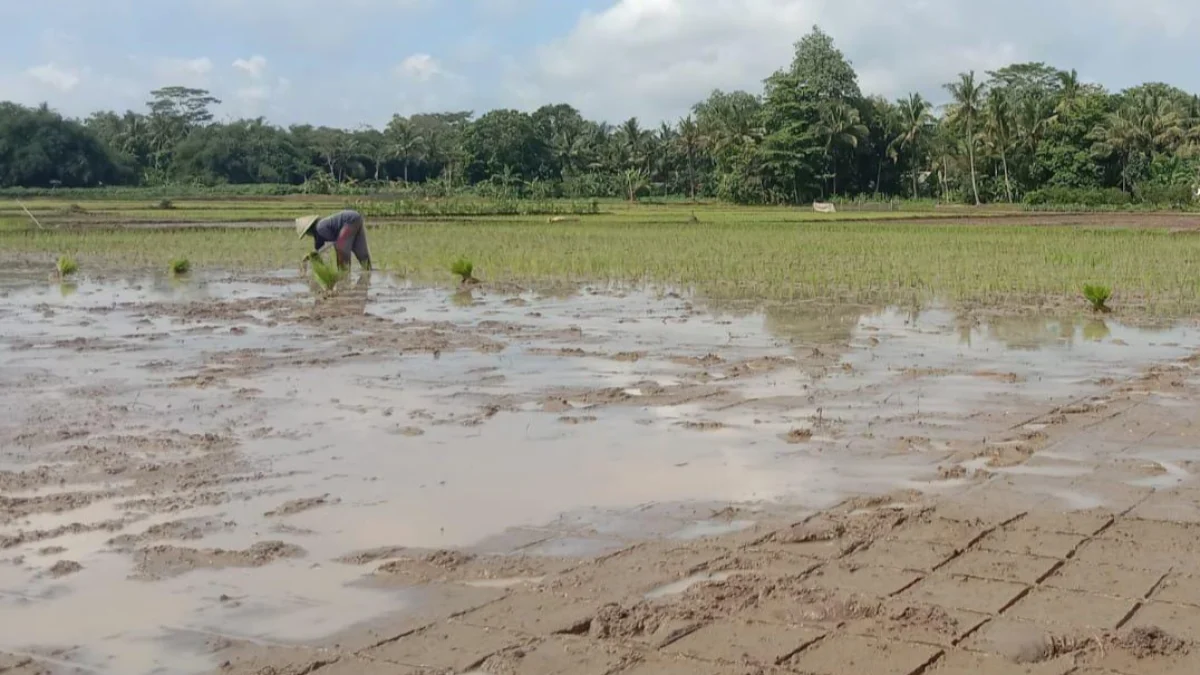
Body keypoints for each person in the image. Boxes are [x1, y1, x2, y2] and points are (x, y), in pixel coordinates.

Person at [295, 209, 372, 271]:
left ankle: (344, 276)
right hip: (356, 217)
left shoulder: (320, 228)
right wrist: (310, 256)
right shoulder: (320, 229)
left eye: (307, 233)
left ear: (309, 230)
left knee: (341, 248)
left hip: (349, 221)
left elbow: (335, 242)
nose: (308, 235)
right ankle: (368, 273)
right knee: (361, 252)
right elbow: (319, 250)